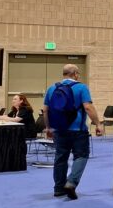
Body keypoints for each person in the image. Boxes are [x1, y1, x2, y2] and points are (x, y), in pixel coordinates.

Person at [43, 64, 102, 200]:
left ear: (64, 74)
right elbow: (88, 107)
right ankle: (71, 182)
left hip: (59, 130)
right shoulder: (81, 87)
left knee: (60, 158)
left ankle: (58, 189)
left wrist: (49, 128)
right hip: (78, 130)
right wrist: (98, 124)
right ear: (75, 74)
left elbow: (46, 110)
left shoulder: (52, 88)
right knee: (81, 156)